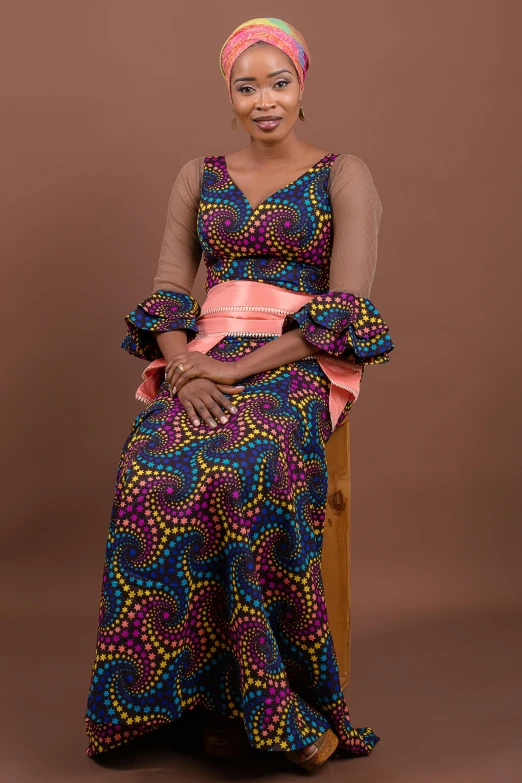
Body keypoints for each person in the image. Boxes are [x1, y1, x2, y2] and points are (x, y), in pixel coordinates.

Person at [85, 17, 395, 773]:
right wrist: (187, 366)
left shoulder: (343, 173)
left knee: (240, 467)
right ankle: (160, 698)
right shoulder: (200, 174)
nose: (264, 100)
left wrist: (239, 368)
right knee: (151, 464)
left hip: (297, 361)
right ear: (230, 93)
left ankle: (250, 700)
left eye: (279, 82)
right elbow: (166, 292)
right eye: (247, 85)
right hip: (205, 358)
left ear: (301, 87)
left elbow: (346, 308)